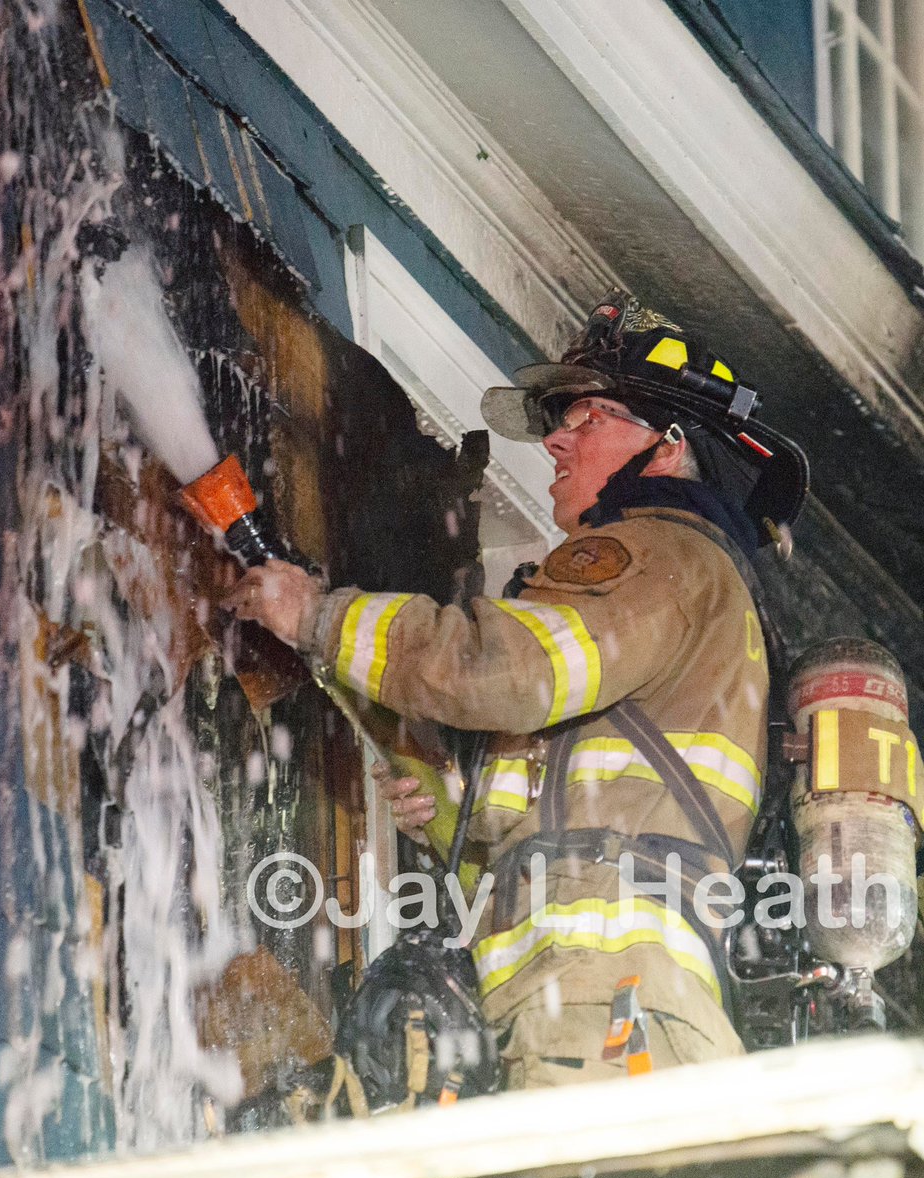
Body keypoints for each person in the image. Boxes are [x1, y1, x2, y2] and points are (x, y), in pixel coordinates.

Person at [225, 291, 808, 1088]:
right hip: (609, 1016)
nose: (558, 442)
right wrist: (468, 806)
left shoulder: (655, 553)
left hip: (601, 1011)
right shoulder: (701, 596)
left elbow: (506, 673)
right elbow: (593, 824)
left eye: (591, 416)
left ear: (668, 449)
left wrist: (318, 617)